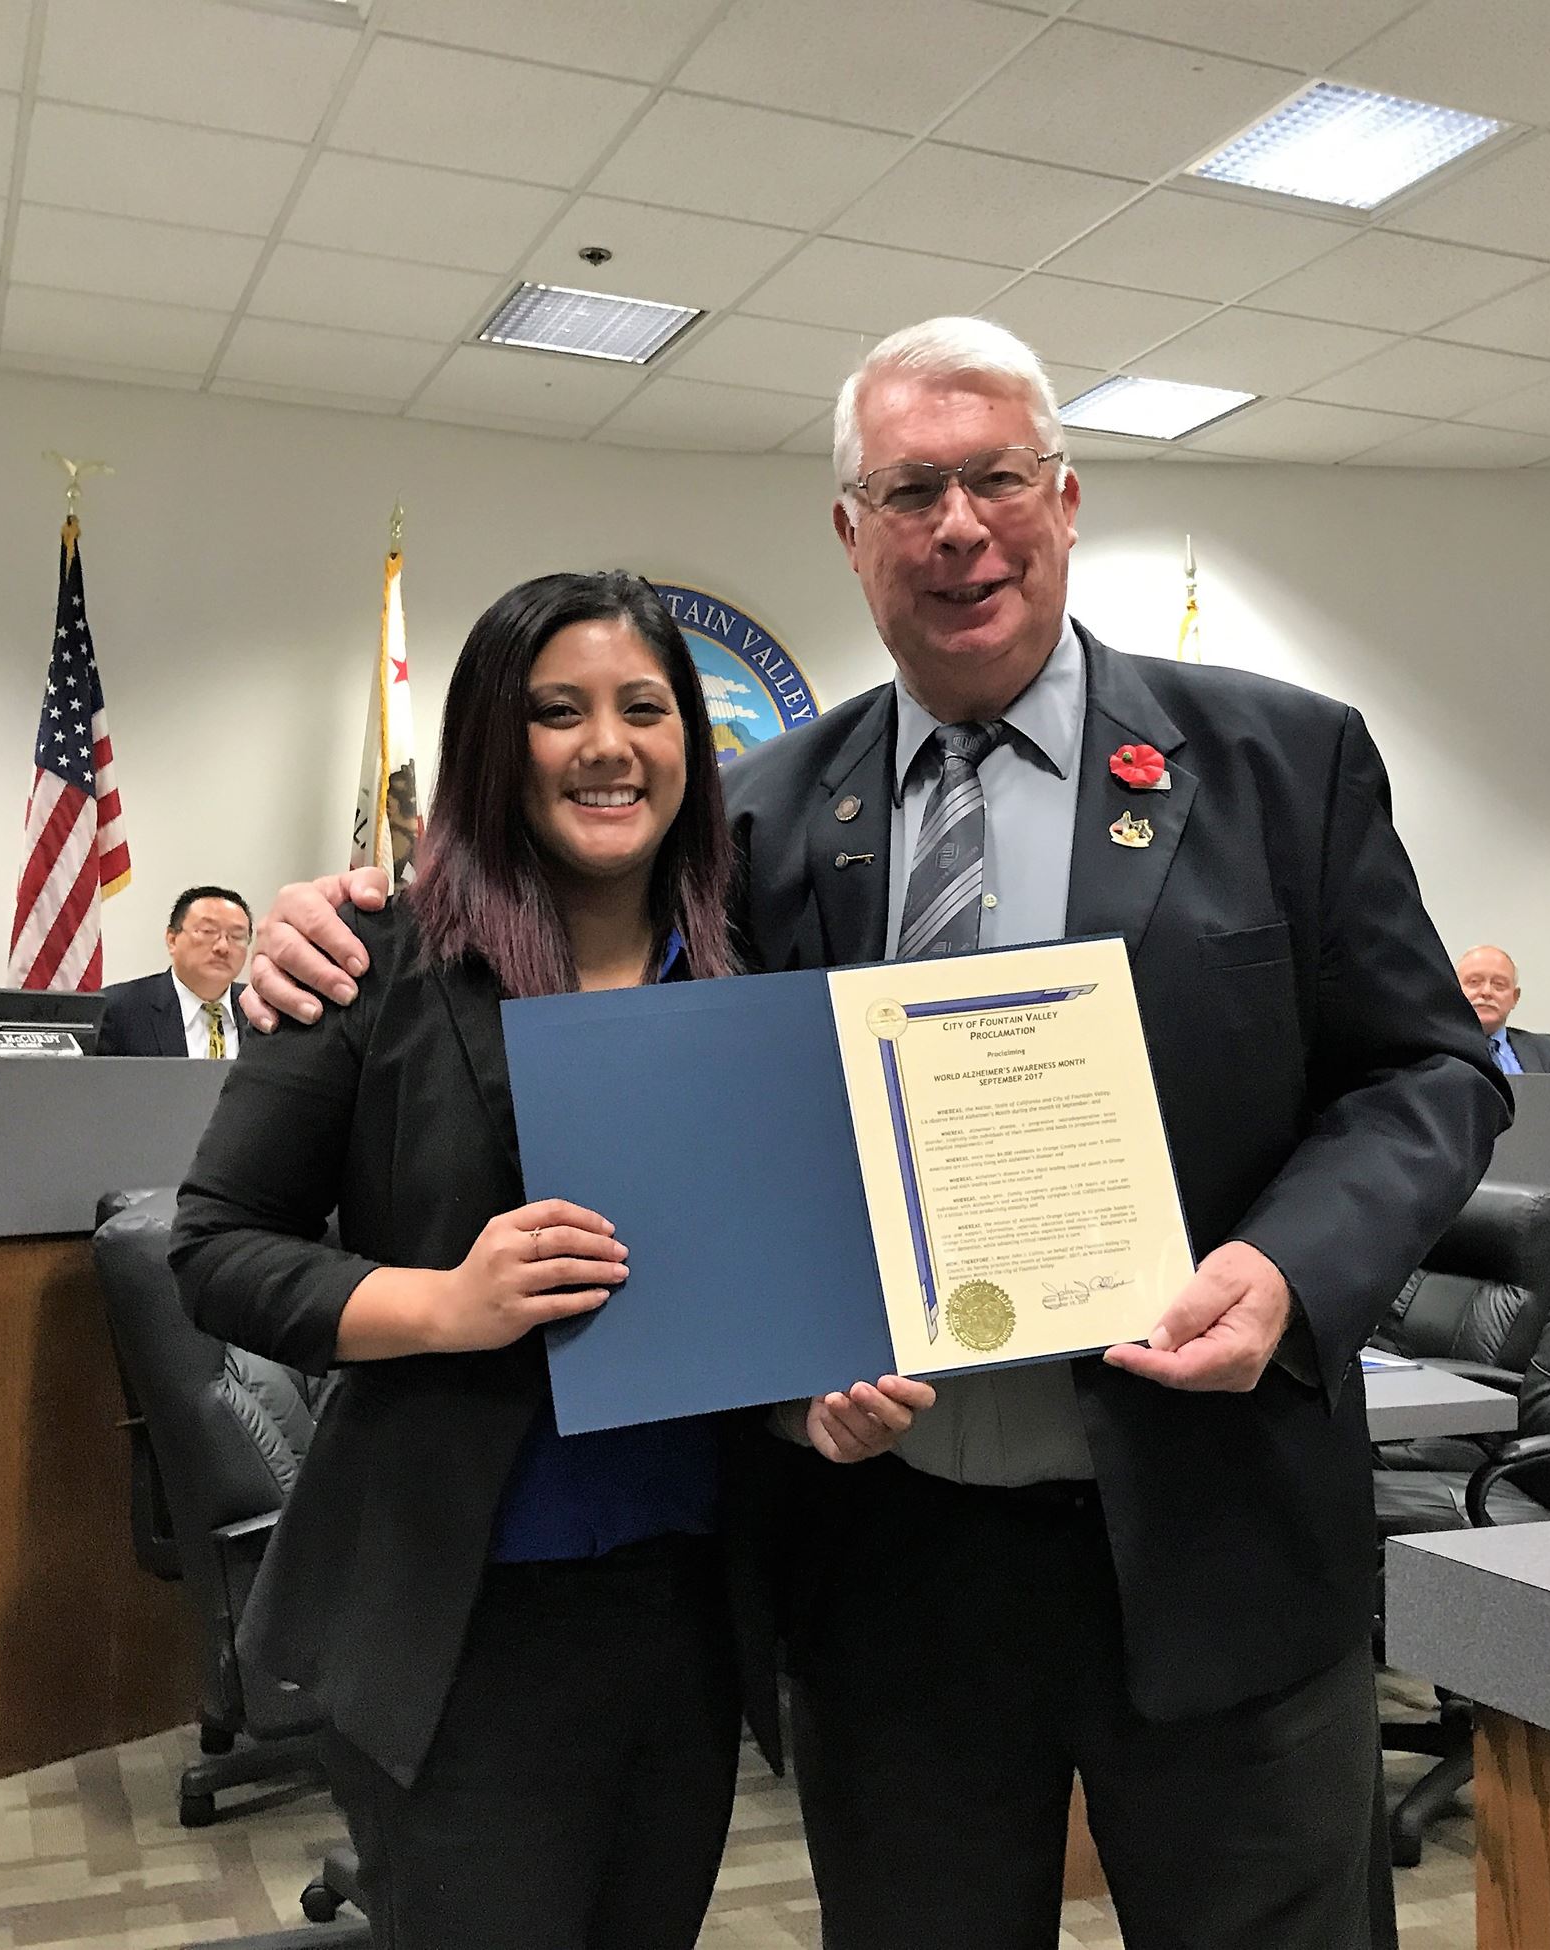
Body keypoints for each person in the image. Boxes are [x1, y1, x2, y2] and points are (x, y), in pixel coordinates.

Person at [242, 320, 1508, 1950]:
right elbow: (566, 940)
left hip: (1215, 1540)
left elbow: (1430, 1072)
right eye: (911, 490)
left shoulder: (1282, 761)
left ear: (1064, 500)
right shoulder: (759, 816)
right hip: (890, 1569)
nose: (958, 525)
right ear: (851, 534)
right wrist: (340, 914)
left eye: (994, 480)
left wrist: (1284, 1267)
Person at [168, 571, 925, 1950]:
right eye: (556, 710)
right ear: (490, 746)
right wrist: (441, 1303)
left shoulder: (743, 986)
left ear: (692, 747)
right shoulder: (370, 961)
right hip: (462, 1621)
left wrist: (806, 1400)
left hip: (687, 1611)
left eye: (644, 708)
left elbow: (742, 1286)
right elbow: (215, 1249)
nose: (605, 743)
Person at [97, 885, 252, 1057]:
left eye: (237, 937)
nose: (223, 947)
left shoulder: (265, 1011)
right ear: (172, 940)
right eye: (208, 931)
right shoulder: (117, 1010)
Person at [1455, 944, 1550, 1075]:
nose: (1486, 992)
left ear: (1515, 997)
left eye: (1499, 985)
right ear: (1454, 990)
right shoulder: (1433, 1049)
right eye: (1474, 982)